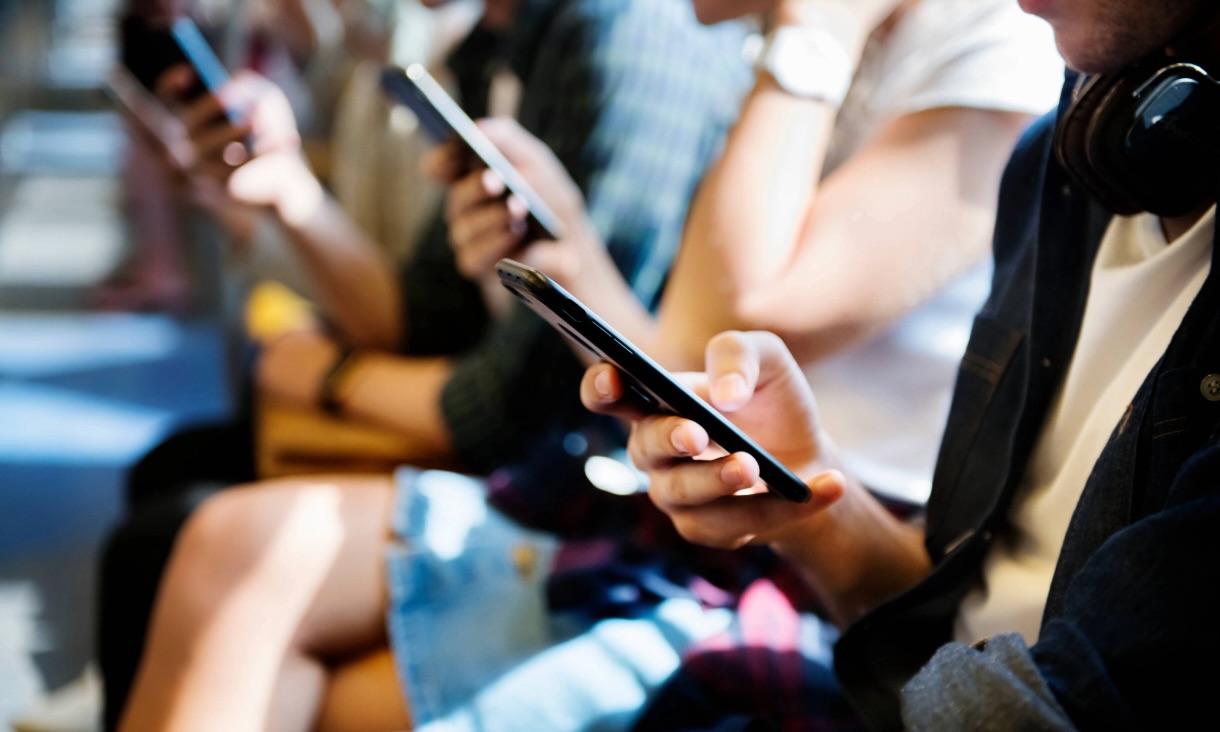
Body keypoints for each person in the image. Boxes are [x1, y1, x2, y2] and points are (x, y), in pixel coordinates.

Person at [112, 0, 750, 729]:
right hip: (560, 474)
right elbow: (422, 316)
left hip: (608, 499)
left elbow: (510, 411)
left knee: (193, 536)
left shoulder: (623, 37)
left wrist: (329, 376)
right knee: (185, 518)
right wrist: (287, 191)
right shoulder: (495, 43)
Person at [581, 0, 1220, 727]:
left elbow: (1037, 706)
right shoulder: (1071, 151)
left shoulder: (992, 67)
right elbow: (954, 616)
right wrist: (811, 501)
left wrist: (813, 35)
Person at [441, 0, 1063, 505]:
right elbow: (692, 371)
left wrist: (816, 30)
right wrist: (565, 248)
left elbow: (726, 330)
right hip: (717, 512)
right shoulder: (767, 41)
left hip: (844, 550)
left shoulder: (1000, 42)